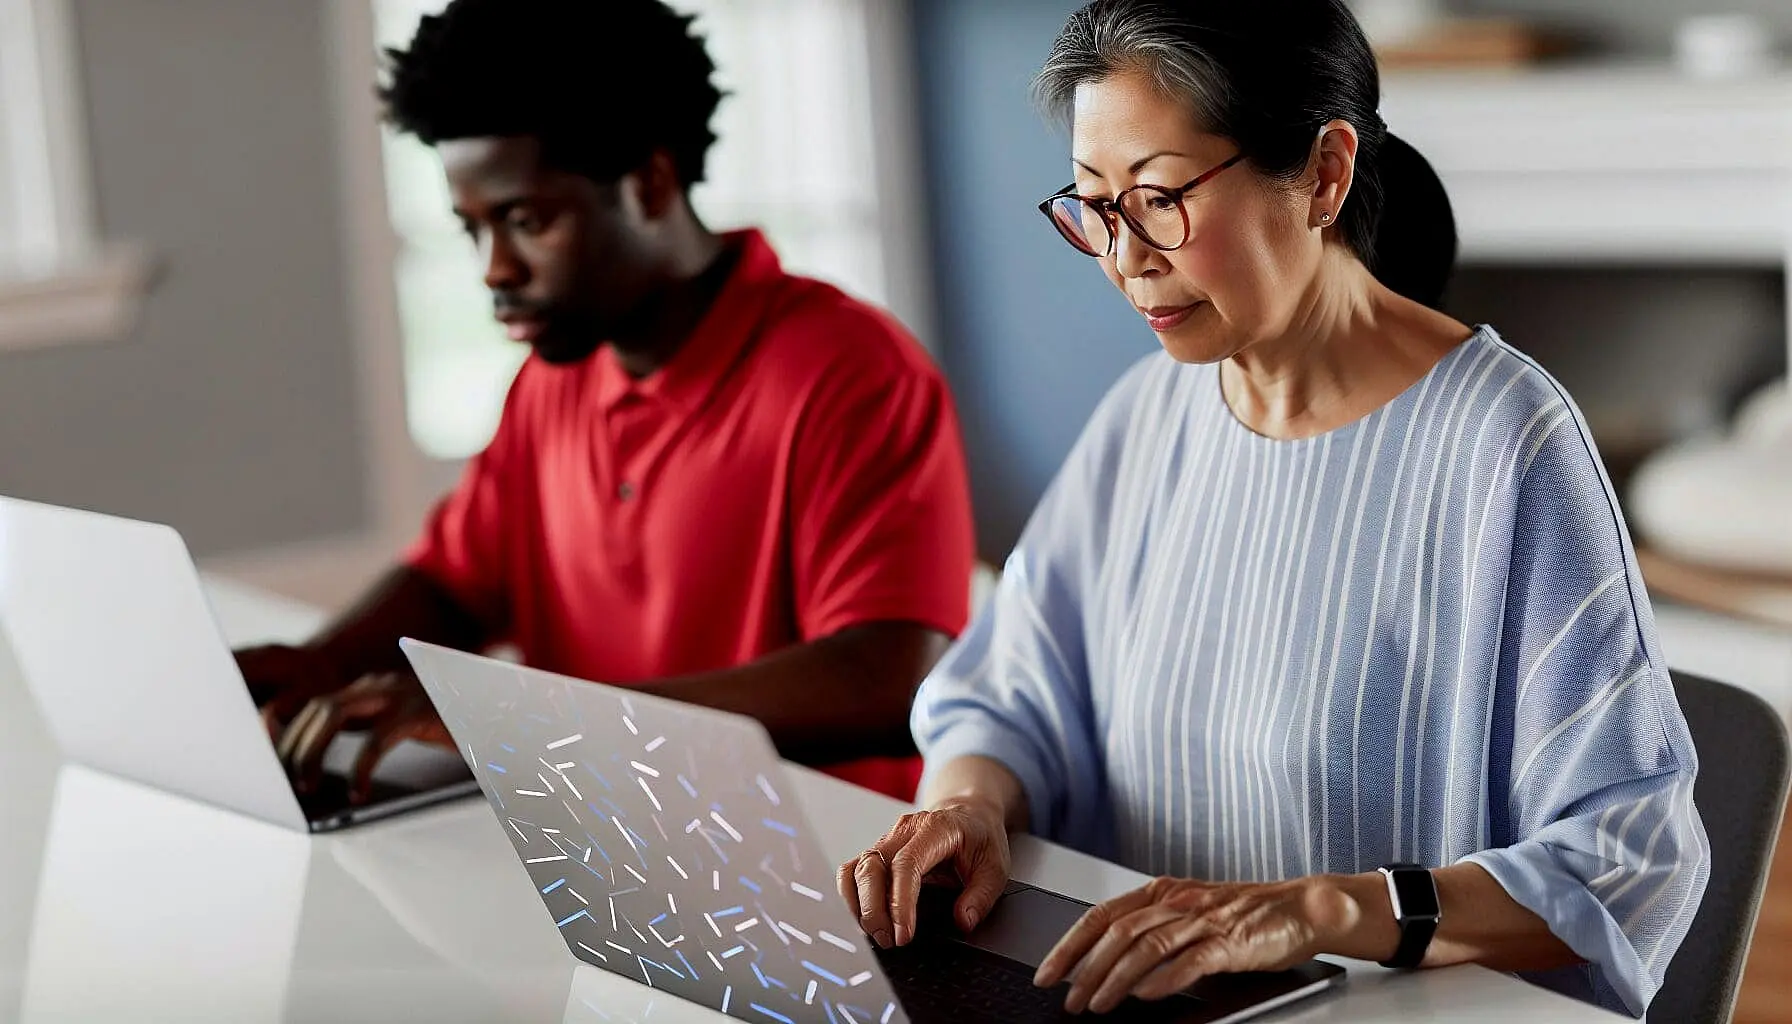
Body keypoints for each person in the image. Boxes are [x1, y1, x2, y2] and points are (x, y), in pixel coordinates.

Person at [839, 1, 1706, 1017]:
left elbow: (1624, 856)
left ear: (1323, 175)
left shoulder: (1501, 443)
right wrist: (964, 807)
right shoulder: (1149, 414)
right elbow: (1009, 692)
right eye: (1093, 206)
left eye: (1159, 199)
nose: (1125, 258)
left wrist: (1311, 912)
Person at [234, 0, 975, 804]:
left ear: (649, 182)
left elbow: (887, 678)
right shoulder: (551, 383)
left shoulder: (849, 369)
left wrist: (524, 722)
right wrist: (319, 663)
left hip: (814, 868)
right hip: (598, 850)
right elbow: (452, 587)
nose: (494, 269)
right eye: (472, 228)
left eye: (526, 220)